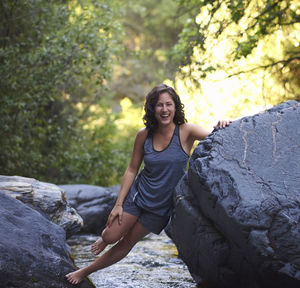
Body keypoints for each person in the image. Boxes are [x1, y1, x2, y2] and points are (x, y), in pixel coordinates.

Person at [65, 84, 230, 285]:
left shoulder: (186, 131)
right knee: (110, 235)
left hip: (160, 208)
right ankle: (105, 239)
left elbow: (216, 135)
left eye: (169, 104)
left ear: (176, 107)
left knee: (127, 242)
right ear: (152, 108)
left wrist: (223, 122)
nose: (165, 109)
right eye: (159, 105)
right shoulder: (144, 135)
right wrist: (118, 204)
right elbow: (132, 168)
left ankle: (84, 271)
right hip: (139, 195)